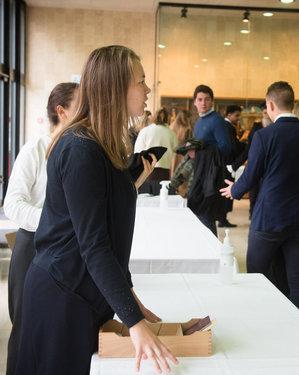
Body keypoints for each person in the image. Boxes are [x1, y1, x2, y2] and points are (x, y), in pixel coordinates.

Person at [15, 45, 178, 375]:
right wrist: (134, 321)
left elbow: (111, 234)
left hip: (83, 292)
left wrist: (130, 301)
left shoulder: (106, 144)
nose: (148, 90)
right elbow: (95, 245)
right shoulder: (80, 148)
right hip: (63, 295)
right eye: (141, 81)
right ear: (115, 86)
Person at [220, 81, 299, 313]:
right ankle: (298, 328)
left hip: (269, 220)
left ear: (270, 105)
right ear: (293, 104)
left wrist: (234, 191)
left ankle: (259, 318)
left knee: (256, 275)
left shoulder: (263, 136)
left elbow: (251, 176)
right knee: (298, 282)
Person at [3, 82, 78, 375]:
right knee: (24, 330)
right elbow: (13, 204)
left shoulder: (79, 150)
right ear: (61, 111)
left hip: (66, 250)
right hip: (32, 247)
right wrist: (54, 221)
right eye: (82, 105)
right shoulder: (34, 149)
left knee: (56, 331)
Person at [190, 85, 231, 234]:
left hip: (211, 176)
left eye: (207, 99)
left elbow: (226, 148)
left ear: (212, 101)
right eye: (200, 99)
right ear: (194, 102)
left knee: (206, 216)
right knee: (201, 216)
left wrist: (202, 150)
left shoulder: (217, 120)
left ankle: (213, 254)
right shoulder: (199, 122)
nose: (203, 103)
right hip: (200, 173)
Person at [231, 102, 272, 219]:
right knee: (254, 191)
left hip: (269, 166)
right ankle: (252, 214)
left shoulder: (275, 126)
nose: (265, 114)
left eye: (266, 111)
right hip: (256, 163)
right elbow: (250, 148)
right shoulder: (256, 127)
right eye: (263, 112)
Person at [134, 107, 178, 195]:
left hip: (146, 172)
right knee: (163, 199)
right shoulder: (172, 134)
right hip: (165, 172)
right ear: (168, 119)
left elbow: (137, 152)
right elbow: (176, 155)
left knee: (146, 201)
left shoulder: (145, 131)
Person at [218, 105, 245, 228]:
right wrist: (245, 146)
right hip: (227, 163)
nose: (238, 118)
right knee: (226, 189)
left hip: (224, 162)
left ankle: (222, 217)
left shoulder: (226, 126)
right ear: (229, 115)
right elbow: (234, 146)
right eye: (236, 115)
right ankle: (222, 218)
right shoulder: (228, 127)